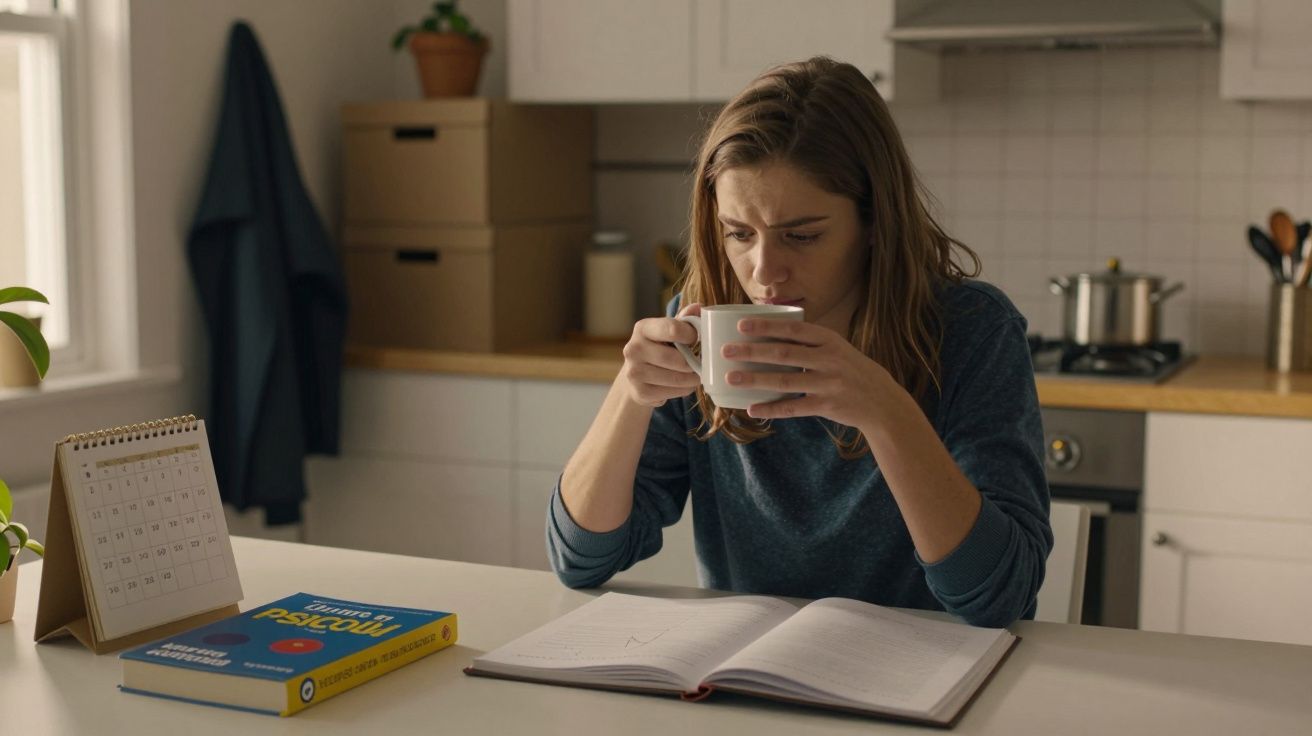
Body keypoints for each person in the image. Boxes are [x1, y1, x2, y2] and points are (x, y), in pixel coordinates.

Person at [546, 56, 1052, 628]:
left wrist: (887, 414)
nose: (764, 271)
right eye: (739, 233)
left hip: (925, 687)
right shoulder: (699, 333)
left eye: (802, 236)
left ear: (873, 223)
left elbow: (1000, 597)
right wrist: (629, 396)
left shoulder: (972, 332)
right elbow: (580, 560)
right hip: (749, 679)